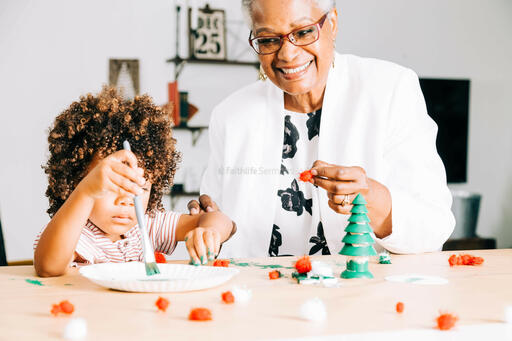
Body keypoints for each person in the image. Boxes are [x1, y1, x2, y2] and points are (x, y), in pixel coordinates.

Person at [189, 0, 455, 257]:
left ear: (333, 23)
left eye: (304, 32)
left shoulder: (390, 90)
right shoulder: (231, 115)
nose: (287, 54)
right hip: (259, 295)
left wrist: (374, 202)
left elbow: (434, 226)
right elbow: (215, 222)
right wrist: (204, 228)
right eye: (269, 39)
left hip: (362, 296)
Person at [34, 87, 234, 277]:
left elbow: (223, 221)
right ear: (75, 182)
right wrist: (85, 192)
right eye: (112, 187)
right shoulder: (77, 234)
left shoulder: (148, 225)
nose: (127, 200)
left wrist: (209, 231)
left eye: (140, 187)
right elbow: (49, 267)